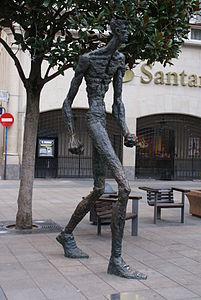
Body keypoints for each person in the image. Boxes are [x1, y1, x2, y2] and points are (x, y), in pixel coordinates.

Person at [56, 17, 147, 280]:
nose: (128, 32)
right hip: (93, 120)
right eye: (124, 28)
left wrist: (127, 131)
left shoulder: (119, 60)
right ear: (114, 31)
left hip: (103, 119)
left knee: (98, 189)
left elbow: (118, 102)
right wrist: (72, 135)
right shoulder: (88, 59)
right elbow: (67, 102)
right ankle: (116, 261)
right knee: (125, 187)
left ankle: (66, 234)